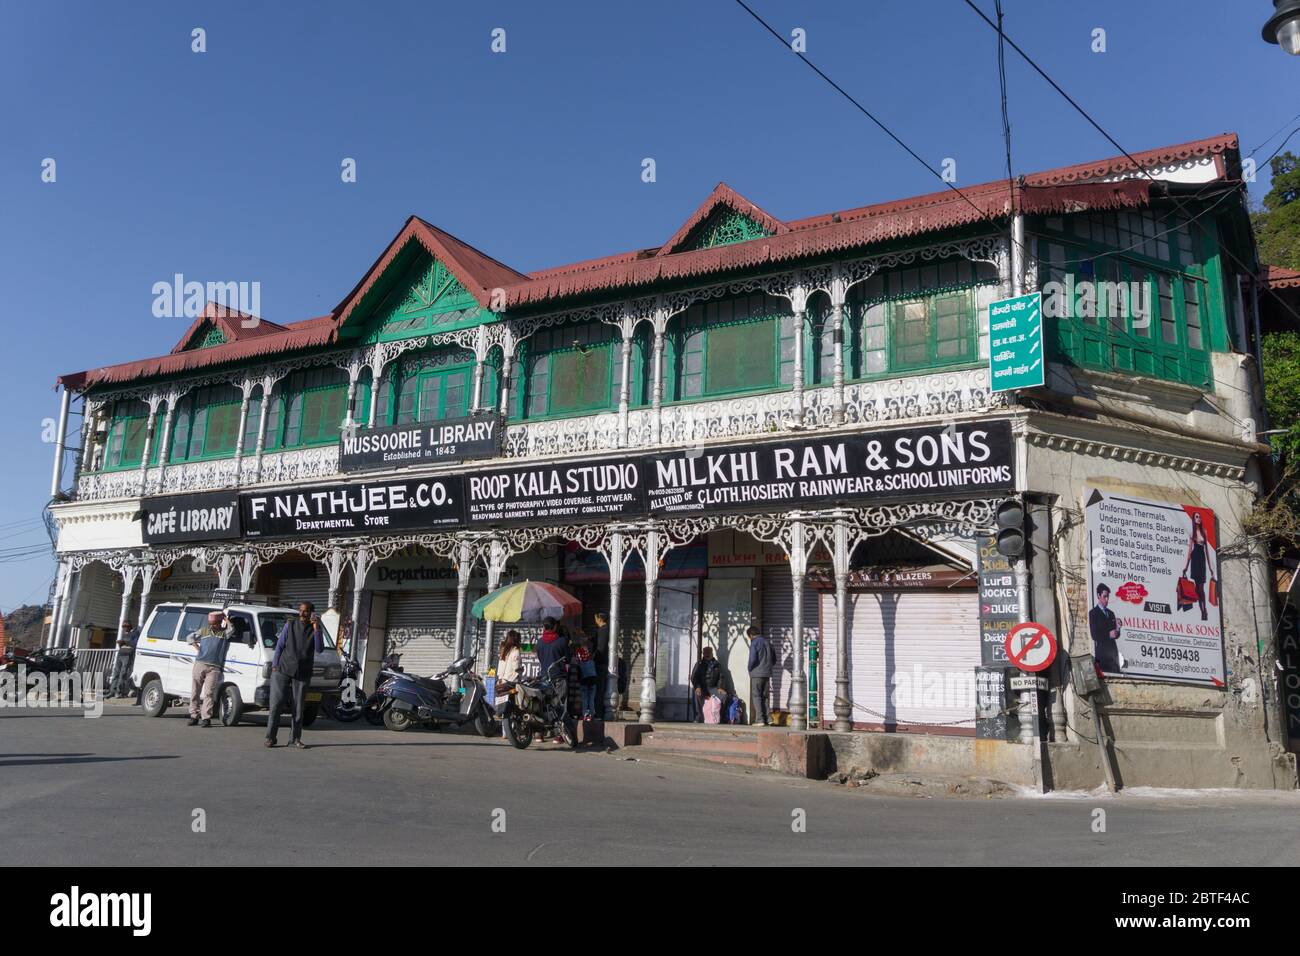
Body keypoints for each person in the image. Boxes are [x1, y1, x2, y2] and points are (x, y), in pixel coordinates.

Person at [265, 602, 325, 749]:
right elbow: (279, 645)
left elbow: (319, 649)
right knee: (276, 705)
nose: (302, 614)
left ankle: (294, 739)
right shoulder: (290, 625)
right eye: (301, 611)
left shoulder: (316, 629)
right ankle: (271, 738)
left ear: (312, 613)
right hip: (283, 669)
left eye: (306, 611)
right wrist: (274, 665)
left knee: (298, 708)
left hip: (302, 673)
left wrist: (317, 628)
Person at [187, 611, 231, 727]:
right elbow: (190, 637)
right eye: (211, 623)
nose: (213, 626)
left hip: (214, 667)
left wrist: (225, 619)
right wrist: (198, 649)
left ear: (219, 623)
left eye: (215, 623)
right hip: (200, 664)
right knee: (195, 691)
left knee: (209, 693)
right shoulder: (204, 631)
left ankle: (206, 718)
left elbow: (232, 629)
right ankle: (193, 716)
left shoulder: (223, 634)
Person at [1182, 511, 1216, 622]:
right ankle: (1201, 609)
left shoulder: (1204, 531)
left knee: (1201, 587)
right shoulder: (1192, 533)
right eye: (1196, 517)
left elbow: (1206, 551)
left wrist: (1210, 567)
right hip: (1194, 558)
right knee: (1197, 587)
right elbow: (1190, 550)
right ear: (1193, 519)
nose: (1199, 518)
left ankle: (1204, 609)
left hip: (1201, 558)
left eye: (1200, 517)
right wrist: (1186, 566)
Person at [1089, 583, 1122, 674]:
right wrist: (1108, 635)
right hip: (1102, 654)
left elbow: (1115, 635)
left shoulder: (1111, 613)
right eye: (1105, 596)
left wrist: (1118, 628)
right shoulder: (1093, 613)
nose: (1107, 600)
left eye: (1108, 597)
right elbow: (1094, 635)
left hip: (1113, 653)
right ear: (1098, 596)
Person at [746, 625, 774, 726]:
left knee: (756, 696)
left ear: (751, 635)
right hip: (767, 673)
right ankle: (769, 719)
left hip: (757, 673)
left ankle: (760, 720)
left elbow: (752, 658)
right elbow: (774, 658)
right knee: (765, 696)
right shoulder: (767, 642)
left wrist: (749, 668)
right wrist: (768, 666)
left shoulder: (755, 643)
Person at [497, 630, 522, 739]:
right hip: (512, 683)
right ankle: (512, 730)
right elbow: (517, 669)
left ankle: (504, 733)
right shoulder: (516, 651)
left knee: (504, 706)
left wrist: (500, 679)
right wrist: (522, 672)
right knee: (514, 707)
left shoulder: (504, 650)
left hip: (502, 682)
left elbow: (500, 668)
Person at [691, 646, 723, 723]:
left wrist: (720, 687)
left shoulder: (717, 664)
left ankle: (719, 717)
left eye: (708, 652)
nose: (706, 654)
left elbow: (721, 677)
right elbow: (694, 677)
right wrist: (698, 687)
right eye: (705, 652)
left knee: (723, 696)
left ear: (712, 653)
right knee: (696, 693)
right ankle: (699, 716)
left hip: (713, 687)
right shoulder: (699, 664)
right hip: (702, 687)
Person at [573, 631, 598, 721]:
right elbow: (595, 643)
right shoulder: (591, 651)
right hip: (593, 678)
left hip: (584, 679)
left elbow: (576, 662)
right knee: (591, 698)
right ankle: (592, 714)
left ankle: (585, 715)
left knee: (585, 698)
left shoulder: (578, 652)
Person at [108, 621, 138, 699]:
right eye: (123, 626)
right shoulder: (125, 634)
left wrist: (125, 642)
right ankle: (112, 691)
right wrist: (120, 643)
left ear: (130, 626)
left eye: (125, 626)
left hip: (127, 655)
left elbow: (135, 643)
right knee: (116, 673)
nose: (124, 628)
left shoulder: (135, 633)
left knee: (123, 674)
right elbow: (124, 643)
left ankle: (119, 692)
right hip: (121, 653)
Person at [592, 612, 611, 720]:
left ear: (599, 619)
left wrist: (592, 658)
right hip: (599, 663)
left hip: (600, 664)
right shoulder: (601, 630)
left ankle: (599, 713)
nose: (594, 620)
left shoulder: (604, 630)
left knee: (599, 689)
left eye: (595, 618)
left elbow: (601, 648)